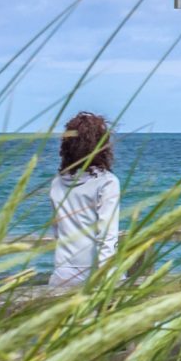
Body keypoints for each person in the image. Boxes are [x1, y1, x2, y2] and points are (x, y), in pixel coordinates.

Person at [51, 111, 120, 287]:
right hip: (94, 273)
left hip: (62, 273)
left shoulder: (57, 182)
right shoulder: (107, 182)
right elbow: (107, 236)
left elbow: (58, 233)